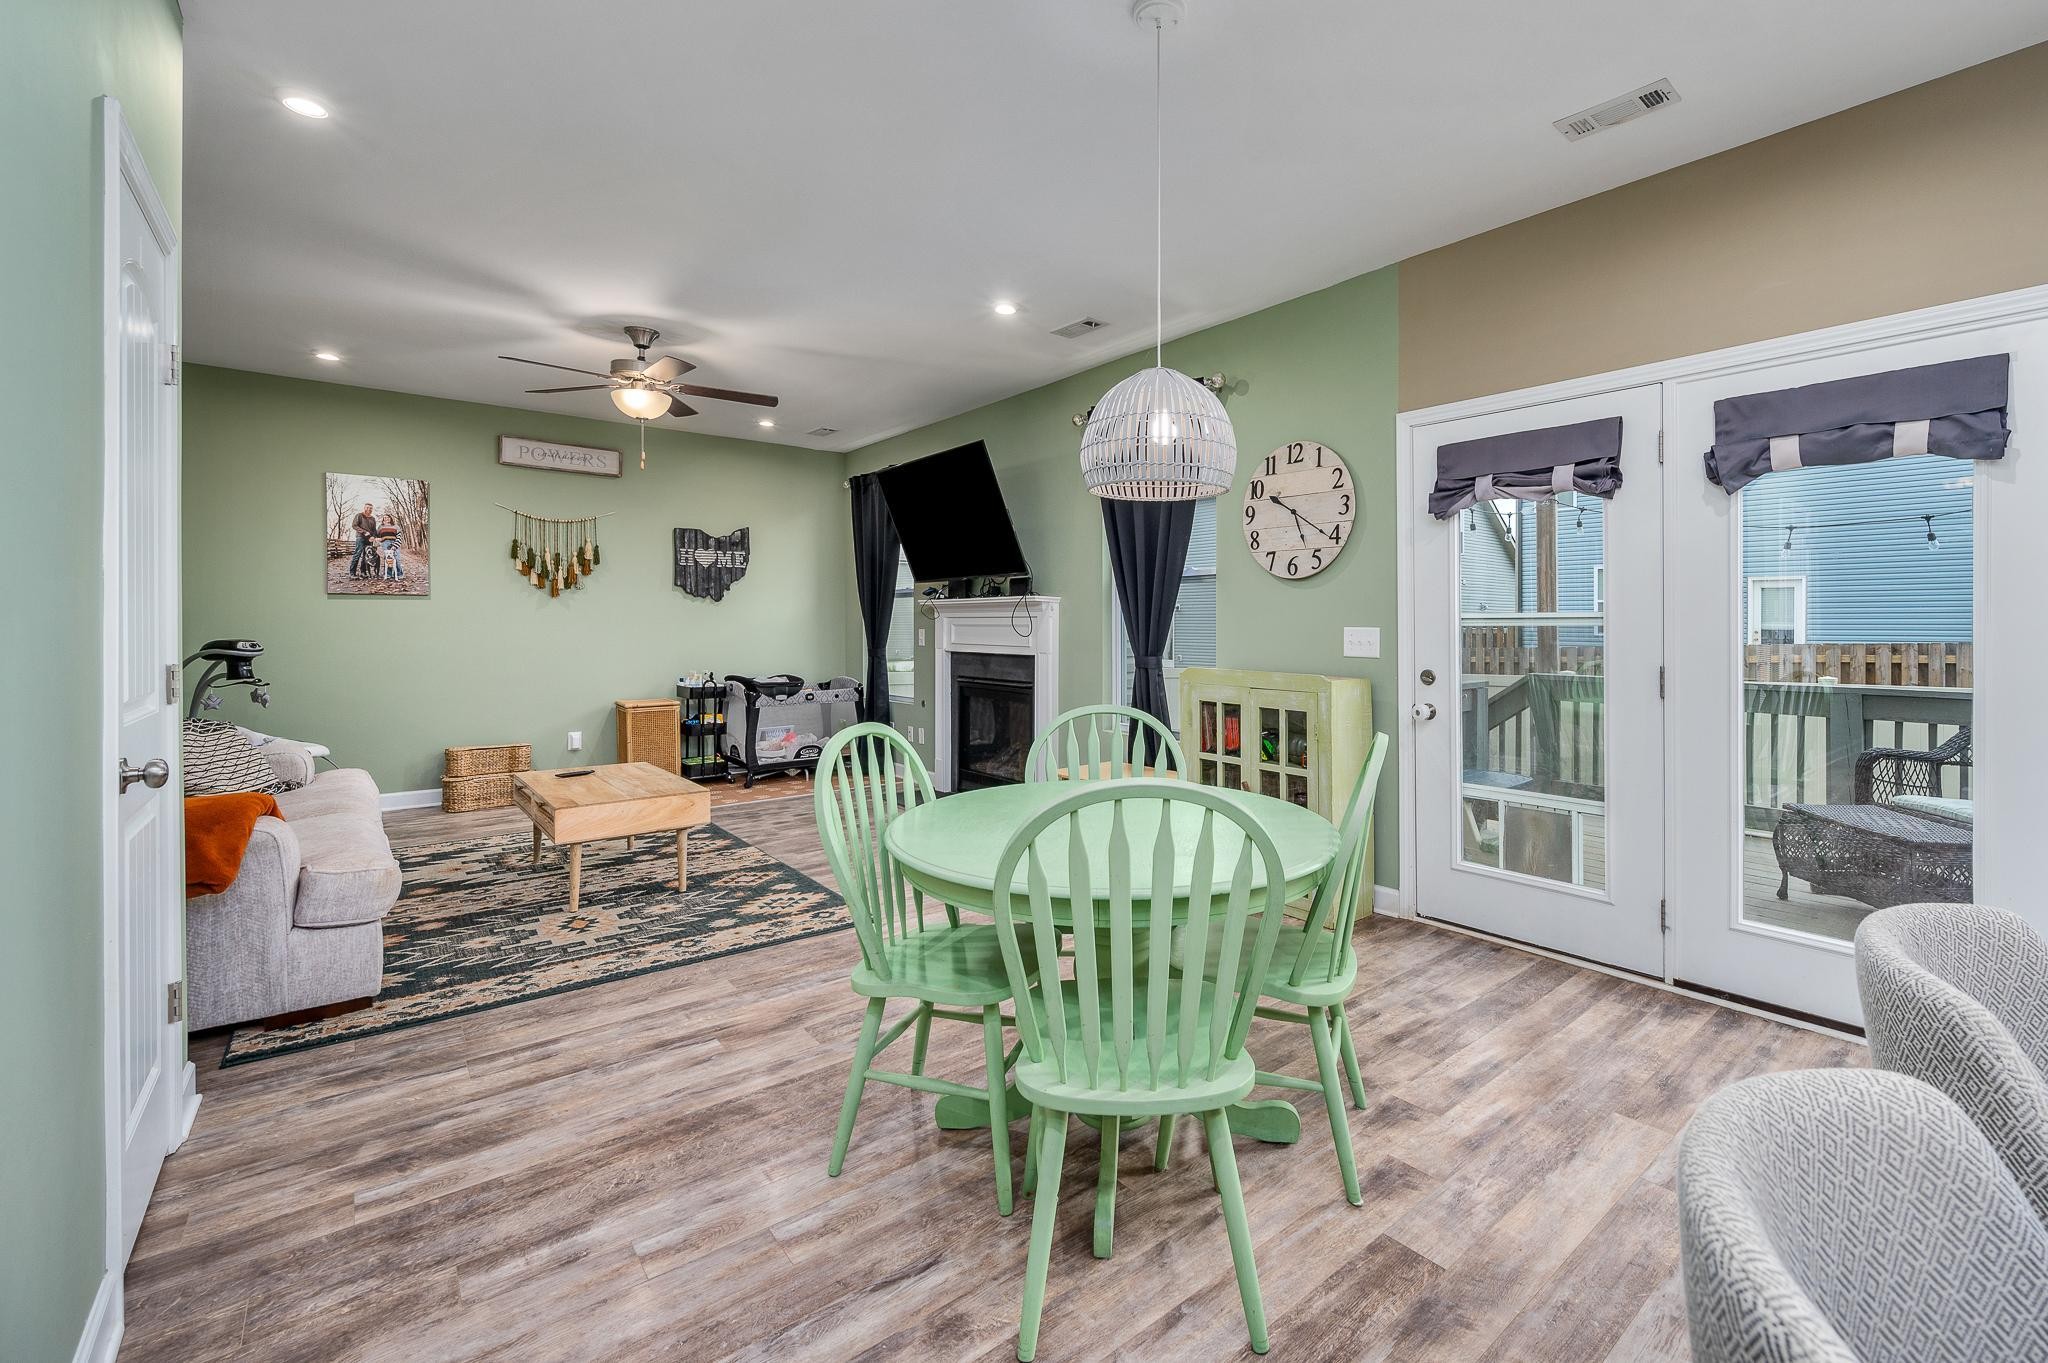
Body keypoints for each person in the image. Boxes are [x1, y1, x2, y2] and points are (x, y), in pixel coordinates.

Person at [348, 501, 378, 577]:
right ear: (364, 508)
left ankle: (363, 572)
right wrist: (364, 532)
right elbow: (354, 525)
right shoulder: (359, 515)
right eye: (367, 507)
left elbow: (374, 530)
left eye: (371, 508)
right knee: (357, 554)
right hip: (360, 537)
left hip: (369, 540)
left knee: (366, 555)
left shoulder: (373, 518)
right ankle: (352, 573)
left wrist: (373, 537)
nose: (369, 509)